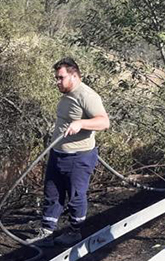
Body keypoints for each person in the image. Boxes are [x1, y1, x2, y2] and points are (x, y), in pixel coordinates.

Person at [28, 58, 110, 247]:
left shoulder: (87, 96)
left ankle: (75, 232)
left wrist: (81, 123)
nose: (57, 82)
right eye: (56, 78)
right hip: (58, 153)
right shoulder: (67, 93)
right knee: (52, 193)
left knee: (76, 196)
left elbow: (104, 122)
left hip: (78, 157)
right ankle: (46, 233)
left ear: (74, 75)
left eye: (60, 78)